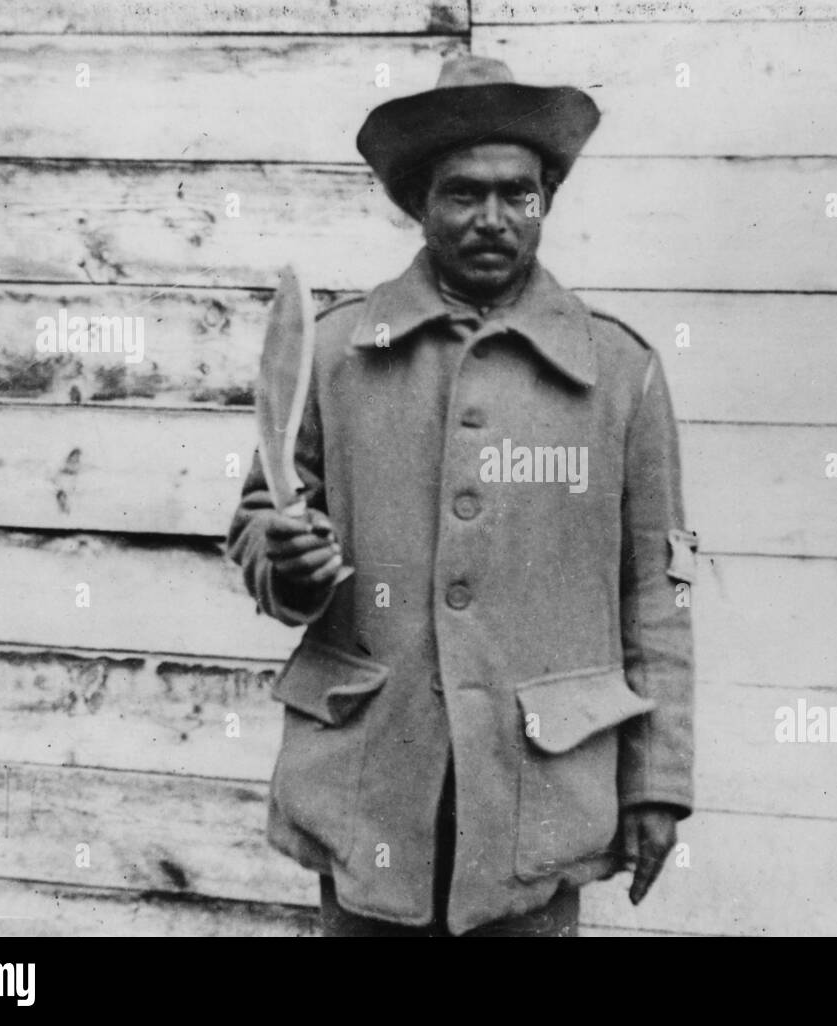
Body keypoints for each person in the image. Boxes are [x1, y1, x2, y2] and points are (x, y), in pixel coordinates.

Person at [228, 55, 697, 937]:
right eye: (462, 194)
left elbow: (658, 590)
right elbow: (263, 528)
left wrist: (657, 782)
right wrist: (287, 564)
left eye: (516, 194)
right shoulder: (337, 354)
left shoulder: (620, 372)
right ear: (421, 205)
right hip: (372, 776)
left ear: (546, 200)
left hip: (539, 786)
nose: (492, 219)